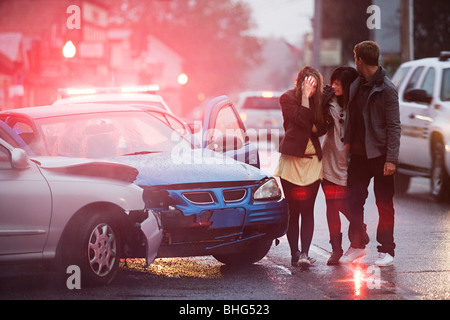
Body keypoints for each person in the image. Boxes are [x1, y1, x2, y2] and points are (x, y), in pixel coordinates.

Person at [341, 41, 401, 266]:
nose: (354, 61)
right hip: (358, 155)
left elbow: (394, 126)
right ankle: (357, 245)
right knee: (353, 200)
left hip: (380, 155)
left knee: (384, 203)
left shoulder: (386, 89)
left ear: (360, 60)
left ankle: (387, 250)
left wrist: (391, 159)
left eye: (354, 57)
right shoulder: (357, 84)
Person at [274, 66, 326, 268]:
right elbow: (303, 121)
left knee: (308, 209)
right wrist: (305, 98)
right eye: (308, 83)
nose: (311, 88)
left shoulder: (320, 102)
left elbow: (322, 127)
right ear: (301, 82)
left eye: (314, 84)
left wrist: (309, 122)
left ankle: (305, 253)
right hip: (291, 160)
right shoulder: (287, 98)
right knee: (293, 209)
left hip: (313, 162)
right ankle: (294, 253)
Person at [321, 66, 368, 265]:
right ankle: (336, 249)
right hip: (329, 159)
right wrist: (324, 98)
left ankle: (359, 227)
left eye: (339, 83)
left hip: (349, 161)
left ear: (348, 85)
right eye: (333, 82)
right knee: (331, 204)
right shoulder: (328, 102)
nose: (334, 86)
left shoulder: (356, 104)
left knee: (345, 203)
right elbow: (319, 119)